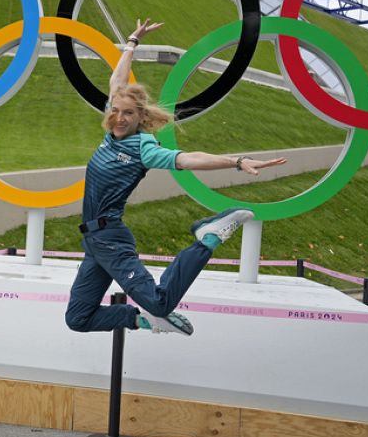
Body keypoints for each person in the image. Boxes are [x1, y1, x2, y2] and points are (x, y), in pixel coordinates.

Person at [64, 17, 286, 336]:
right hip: (93, 241)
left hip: (110, 238)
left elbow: (190, 158)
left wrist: (236, 161)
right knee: (78, 318)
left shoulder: (143, 147)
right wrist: (131, 42)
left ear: (141, 117)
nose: (119, 117)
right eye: (116, 111)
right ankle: (144, 320)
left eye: (128, 113)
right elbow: (117, 81)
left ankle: (207, 238)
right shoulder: (110, 132)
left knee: (160, 301)